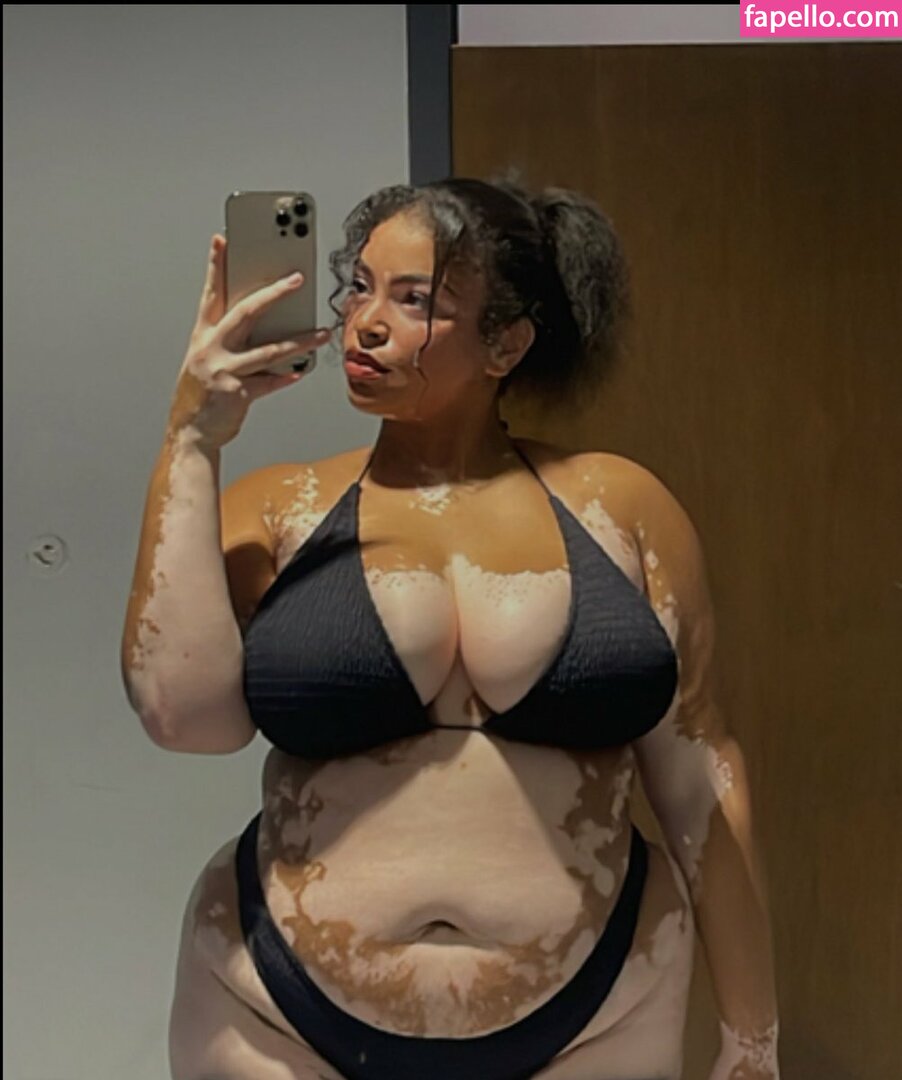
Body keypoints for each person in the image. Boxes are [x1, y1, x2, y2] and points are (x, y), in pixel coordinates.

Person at [121, 177, 779, 1080]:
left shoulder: (619, 508)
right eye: (359, 286)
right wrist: (193, 438)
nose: (365, 323)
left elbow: (700, 777)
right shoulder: (278, 508)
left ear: (506, 343)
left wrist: (752, 1041)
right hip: (274, 1007)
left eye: (414, 299)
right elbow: (182, 718)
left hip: (599, 1009)